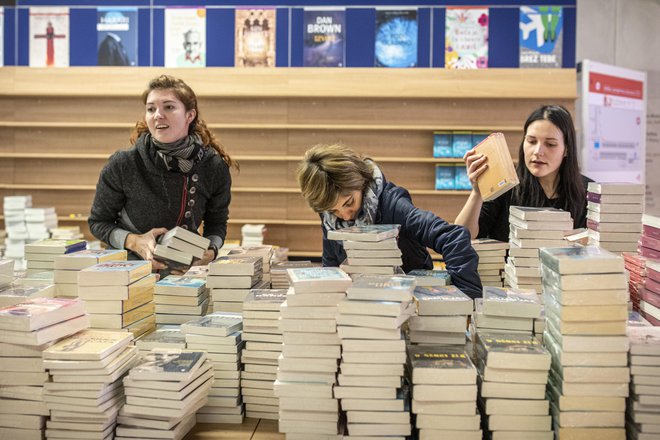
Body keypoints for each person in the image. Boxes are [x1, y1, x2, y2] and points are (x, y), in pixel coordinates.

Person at [89, 74, 236, 271]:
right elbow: (98, 222)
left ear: (189, 115)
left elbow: (216, 223)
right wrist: (134, 242)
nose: (158, 114)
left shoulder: (213, 166)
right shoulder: (123, 164)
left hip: (185, 275)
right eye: (151, 109)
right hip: (130, 272)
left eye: (169, 107)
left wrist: (211, 251)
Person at [296, 144, 482, 299]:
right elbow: (331, 265)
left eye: (349, 202)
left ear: (361, 182)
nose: (345, 215)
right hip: (363, 307)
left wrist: (464, 301)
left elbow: (452, 237)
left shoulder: (393, 204)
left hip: (411, 303)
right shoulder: (330, 217)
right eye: (333, 210)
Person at [454, 104, 591, 242]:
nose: (538, 151)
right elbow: (461, 236)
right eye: (531, 141)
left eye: (550, 144)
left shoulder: (589, 191)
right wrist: (477, 192)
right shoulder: (504, 184)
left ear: (566, 149)